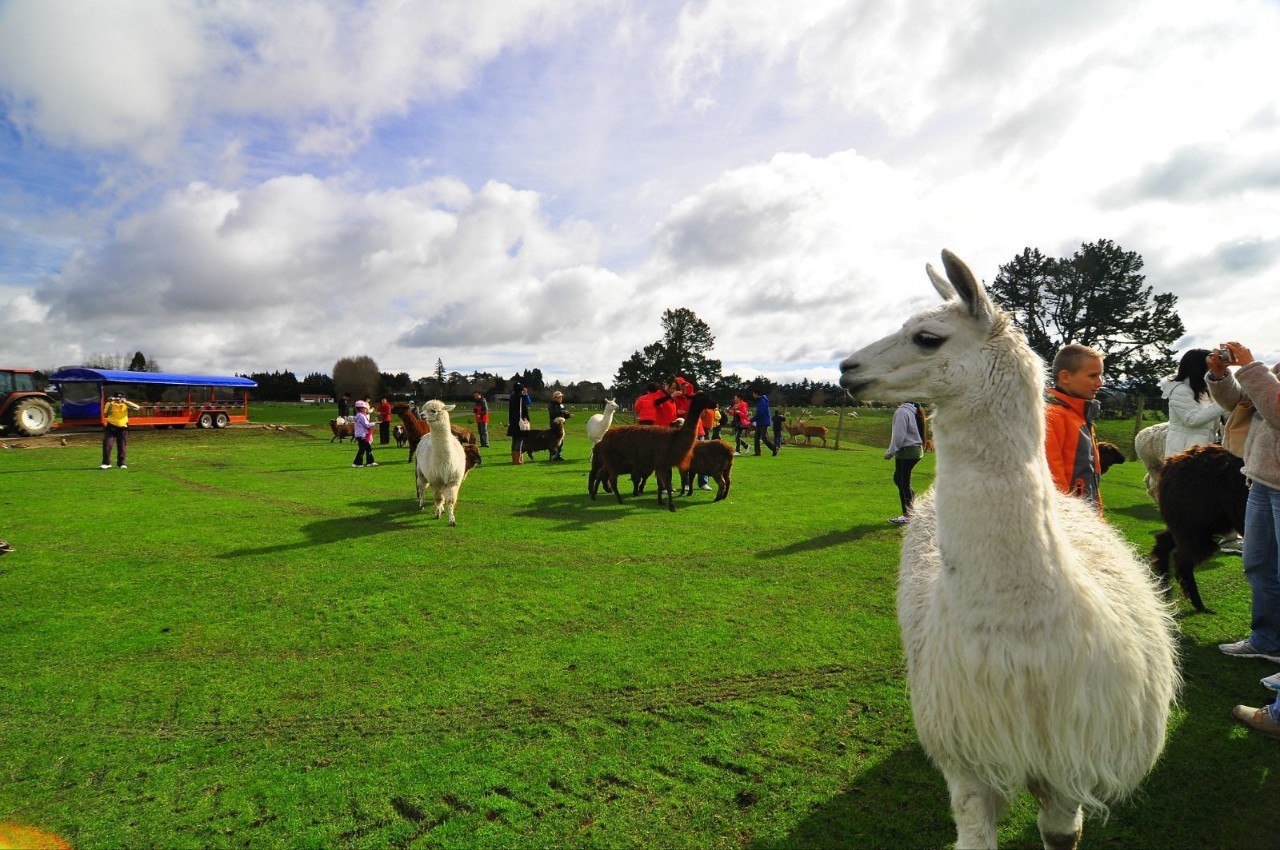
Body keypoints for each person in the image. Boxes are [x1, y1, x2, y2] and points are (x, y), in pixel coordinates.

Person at [1203, 345, 1280, 693]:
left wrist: (1249, 365)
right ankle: (1266, 641)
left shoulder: (1266, 370)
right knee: (1259, 564)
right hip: (1263, 481)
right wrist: (1221, 377)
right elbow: (1243, 404)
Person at [1044, 343, 1104, 511]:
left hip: (1084, 518)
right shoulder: (1052, 416)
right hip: (1068, 520)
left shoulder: (1080, 416)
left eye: (1101, 375)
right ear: (1065, 377)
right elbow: (1051, 477)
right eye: (1093, 376)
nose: (1099, 383)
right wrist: (1068, 516)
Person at [1161, 348, 1223, 457]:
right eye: (1210, 364)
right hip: (1183, 453)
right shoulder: (1180, 390)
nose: (1212, 368)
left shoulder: (1204, 390)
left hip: (1200, 451)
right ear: (1199, 366)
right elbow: (1191, 419)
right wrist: (1223, 404)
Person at [885, 401, 925, 524]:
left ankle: (908, 514)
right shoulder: (913, 410)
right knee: (899, 479)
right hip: (915, 450)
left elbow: (899, 435)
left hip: (906, 451)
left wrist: (890, 452)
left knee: (903, 482)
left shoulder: (902, 411)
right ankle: (915, 507)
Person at [100, 392, 141, 469]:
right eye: (116, 398)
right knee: (107, 444)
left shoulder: (125, 404)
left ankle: (121, 463)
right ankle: (106, 463)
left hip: (122, 427)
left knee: (122, 446)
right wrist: (111, 403)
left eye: (119, 398)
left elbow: (137, 408)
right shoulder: (109, 403)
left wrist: (125, 402)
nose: (118, 400)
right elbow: (107, 413)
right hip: (110, 427)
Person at [508, 382, 531, 465]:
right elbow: (528, 402)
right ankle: (518, 460)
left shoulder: (512, 396)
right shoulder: (522, 396)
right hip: (520, 420)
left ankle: (514, 459)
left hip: (513, 421)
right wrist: (525, 393)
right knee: (520, 440)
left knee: (514, 440)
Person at [351, 400, 378, 467]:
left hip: (360, 434)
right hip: (362, 435)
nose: (365, 409)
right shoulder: (361, 416)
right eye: (364, 408)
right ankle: (357, 463)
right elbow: (366, 425)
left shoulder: (358, 415)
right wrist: (375, 423)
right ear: (360, 408)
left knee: (367, 448)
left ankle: (370, 462)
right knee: (362, 449)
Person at [751, 388, 777, 456]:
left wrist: (753, 419)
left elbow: (761, 413)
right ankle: (757, 452)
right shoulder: (760, 401)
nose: (753, 396)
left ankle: (774, 448)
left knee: (763, 437)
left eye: (753, 394)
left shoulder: (762, 401)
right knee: (756, 437)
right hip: (760, 421)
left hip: (764, 421)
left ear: (756, 394)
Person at [548, 390, 572, 460]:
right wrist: (562, 412)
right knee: (555, 441)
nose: (561, 398)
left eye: (561, 397)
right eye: (559, 397)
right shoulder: (551, 405)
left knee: (561, 441)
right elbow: (553, 413)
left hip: (561, 426)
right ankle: (553, 456)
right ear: (555, 398)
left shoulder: (561, 405)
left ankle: (559, 455)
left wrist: (569, 415)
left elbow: (564, 415)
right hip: (555, 426)